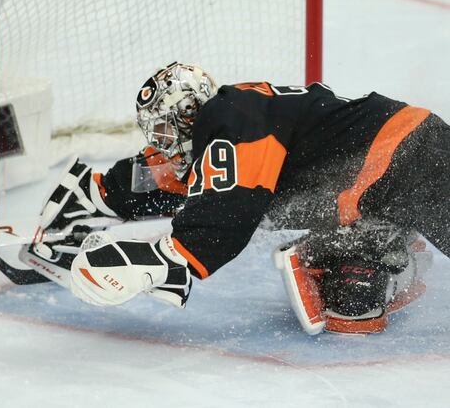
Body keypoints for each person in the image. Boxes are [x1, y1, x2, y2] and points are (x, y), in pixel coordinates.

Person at [24, 62, 447, 335]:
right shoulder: (231, 120)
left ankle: (381, 241)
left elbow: (230, 205)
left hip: (407, 158)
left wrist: (170, 258)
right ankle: (381, 243)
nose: (161, 143)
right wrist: (102, 192)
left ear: (188, 114)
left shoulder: (231, 119)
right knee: (349, 301)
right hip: (393, 164)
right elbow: (184, 179)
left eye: (164, 131)